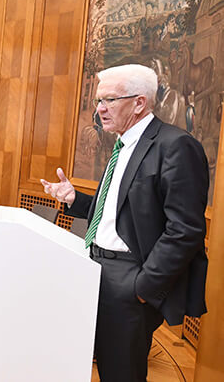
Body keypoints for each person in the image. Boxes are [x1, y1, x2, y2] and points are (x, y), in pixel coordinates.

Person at [40, 64, 208, 382]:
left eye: (109, 101)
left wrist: (143, 288)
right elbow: (119, 216)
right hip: (97, 269)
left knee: (121, 372)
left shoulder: (175, 146)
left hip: (129, 280)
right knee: (105, 362)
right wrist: (75, 199)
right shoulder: (121, 146)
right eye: (98, 101)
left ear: (139, 102)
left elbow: (185, 229)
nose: (100, 109)